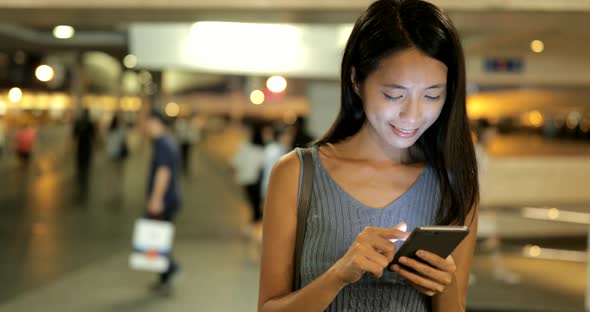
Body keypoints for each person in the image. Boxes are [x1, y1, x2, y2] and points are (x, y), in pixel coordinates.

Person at [258, 0, 479, 311]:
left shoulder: (454, 184)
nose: (412, 115)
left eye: (432, 95)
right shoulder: (296, 173)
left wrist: (444, 285)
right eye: (394, 94)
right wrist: (338, 275)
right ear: (356, 81)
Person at [145, 109, 182, 294]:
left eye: (148, 122)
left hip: (165, 200)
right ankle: (165, 276)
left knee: (157, 240)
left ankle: (170, 270)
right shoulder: (169, 141)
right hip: (171, 199)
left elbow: (163, 171)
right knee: (159, 239)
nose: (146, 126)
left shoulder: (162, 143)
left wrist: (156, 199)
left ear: (156, 123)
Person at [72, 109, 96, 200]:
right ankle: (83, 185)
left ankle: (80, 184)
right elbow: (93, 136)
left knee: (80, 167)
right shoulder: (89, 123)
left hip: (81, 148)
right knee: (85, 168)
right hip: (86, 148)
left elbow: (74, 136)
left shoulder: (78, 123)